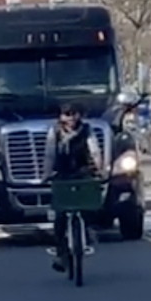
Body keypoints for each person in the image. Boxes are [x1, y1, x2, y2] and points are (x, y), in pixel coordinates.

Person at [44, 103, 101, 272]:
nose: (70, 118)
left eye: (74, 113)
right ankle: (62, 254)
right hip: (62, 174)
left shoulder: (87, 130)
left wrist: (100, 169)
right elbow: (49, 154)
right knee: (60, 215)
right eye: (66, 114)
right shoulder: (54, 132)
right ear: (60, 117)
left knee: (89, 203)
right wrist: (46, 174)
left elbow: (95, 151)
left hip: (82, 172)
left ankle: (89, 230)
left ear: (80, 115)